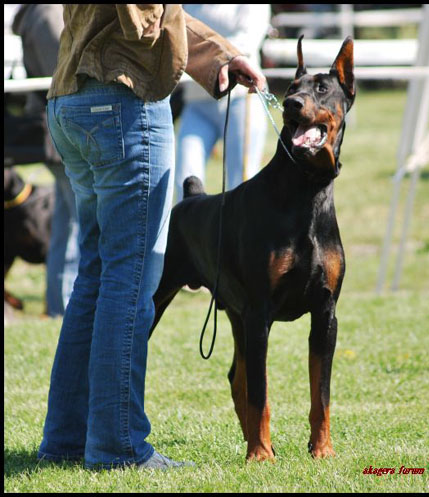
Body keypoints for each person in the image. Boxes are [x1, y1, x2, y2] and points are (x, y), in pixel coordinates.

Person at [37, 4, 266, 470]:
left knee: (97, 276)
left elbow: (162, 15)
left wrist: (218, 55)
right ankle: (118, 447)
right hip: (124, 101)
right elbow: (145, 24)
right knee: (129, 279)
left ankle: (67, 440)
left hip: (71, 99)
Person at [12, 4, 80, 317]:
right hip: (60, 131)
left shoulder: (39, 14)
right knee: (76, 225)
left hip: (53, 131)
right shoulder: (46, 14)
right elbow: (64, 73)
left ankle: (59, 305)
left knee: (67, 225)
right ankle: (64, 305)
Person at [174, 4, 270, 202]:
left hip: (241, 100)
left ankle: (241, 233)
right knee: (184, 179)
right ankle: (191, 232)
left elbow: (247, 41)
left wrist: (205, 56)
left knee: (242, 182)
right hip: (197, 102)